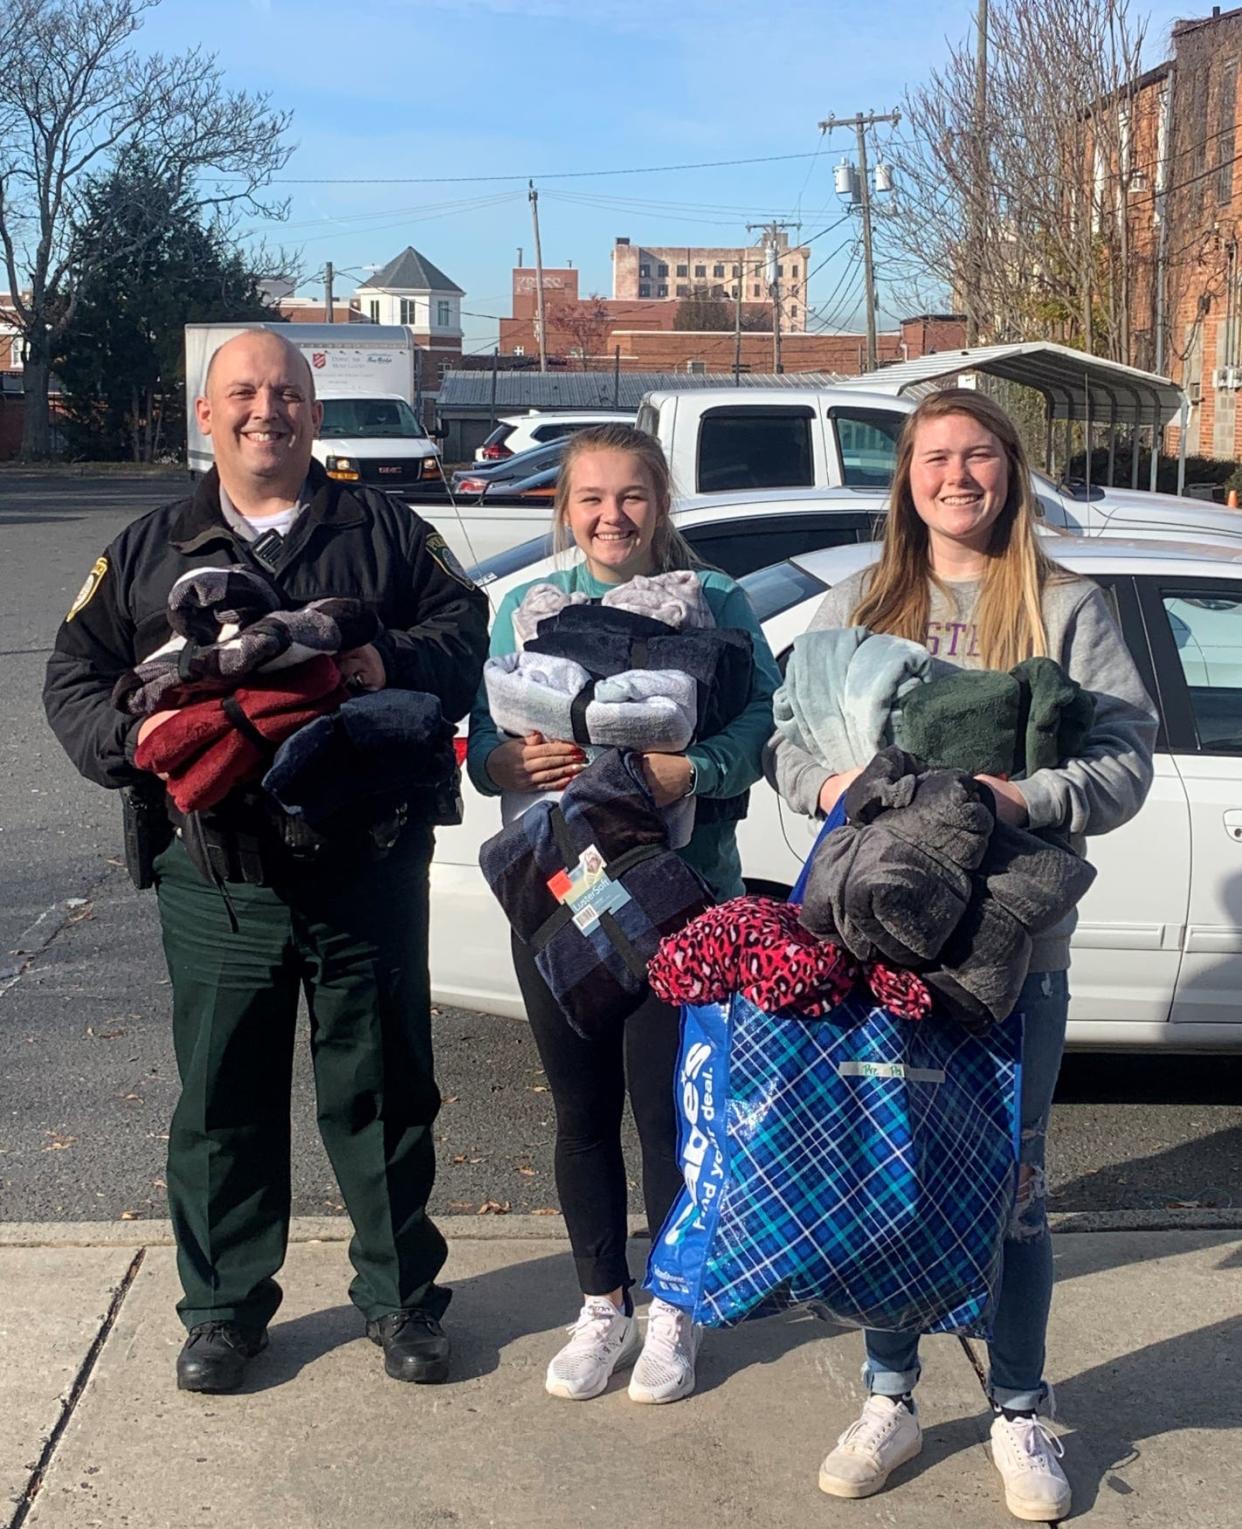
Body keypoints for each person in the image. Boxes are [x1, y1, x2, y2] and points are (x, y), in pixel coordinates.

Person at [44, 331, 489, 1393]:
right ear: (207, 415)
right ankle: (225, 1312)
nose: (266, 410)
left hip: (364, 866)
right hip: (219, 880)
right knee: (222, 1101)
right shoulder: (153, 547)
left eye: (286, 392)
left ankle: (401, 1299)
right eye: (242, 392)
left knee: (382, 1090)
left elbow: (466, 632)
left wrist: (386, 656)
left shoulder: (382, 531)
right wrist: (136, 745)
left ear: (314, 414)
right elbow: (73, 676)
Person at [767, 389, 1156, 1522]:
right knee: (896, 1172)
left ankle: (1019, 1405)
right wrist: (832, 786)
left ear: (1011, 469)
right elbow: (790, 737)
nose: (955, 474)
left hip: (1014, 951)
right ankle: (890, 1390)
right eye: (934, 456)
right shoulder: (861, 599)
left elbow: (1125, 755)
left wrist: (1022, 793)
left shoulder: (1067, 608)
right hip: (879, 947)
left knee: (1016, 1187)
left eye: (977, 453)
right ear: (908, 477)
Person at [468, 423, 780, 1405]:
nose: (612, 516)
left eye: (632, 495)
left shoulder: (720, 602)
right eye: (592, 497)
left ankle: (676, 1309)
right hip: (560, 897)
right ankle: (602, 1301)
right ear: (565, 507)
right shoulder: (524, 604)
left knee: (670, 1113)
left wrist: (694, 766)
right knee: (581, 1109)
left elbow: (762, 727)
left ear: (662, 503)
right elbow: (481, 740)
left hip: (681, 897)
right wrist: (501, 763)